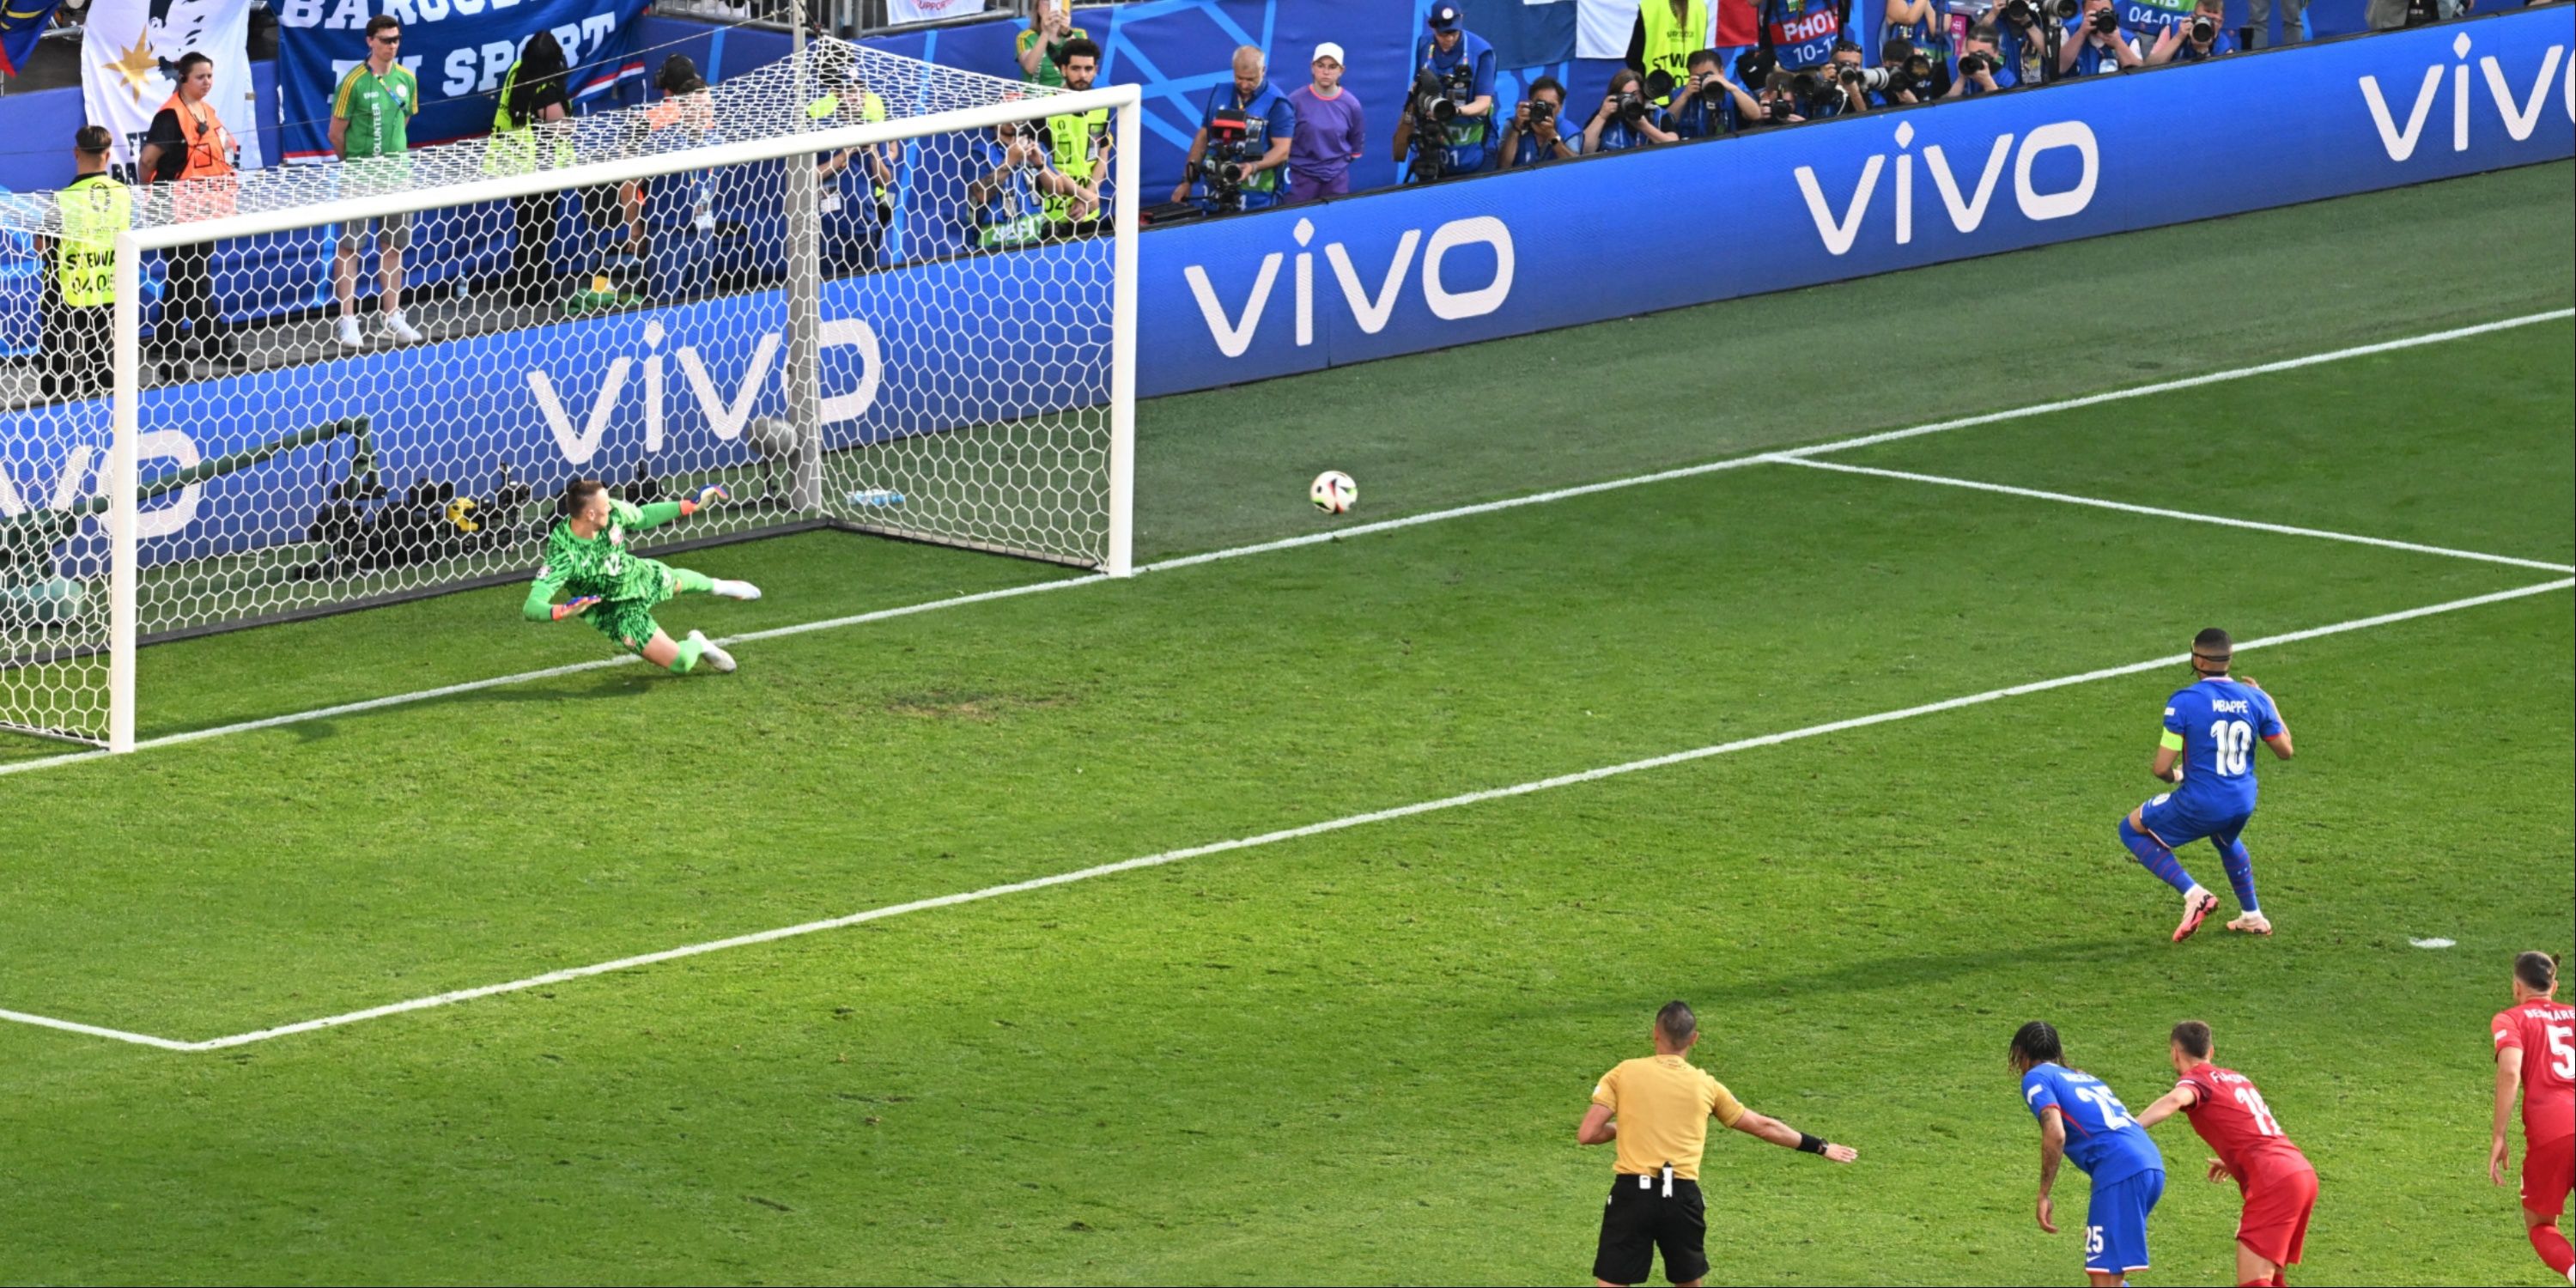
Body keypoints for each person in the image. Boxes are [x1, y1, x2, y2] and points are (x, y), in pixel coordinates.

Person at [1579, 1001, 1857, 1288]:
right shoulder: (1706, 1086)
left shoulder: (1624, 1072)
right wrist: (1821, 1146)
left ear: (1655, 1033)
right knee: (1689, 1282)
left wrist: (1621, 1127)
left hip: (1632, 1196)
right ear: (1694, 1038)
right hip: (1681, 1197)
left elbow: (1588, 1134)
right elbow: (1764, 1126)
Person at [2117, 628, 2291, 942]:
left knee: (2130, 829)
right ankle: (2253, 916)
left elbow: (2161, 768)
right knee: (2225, 840)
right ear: (2229, 658)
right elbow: (2285, 751)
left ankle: (2194, 894)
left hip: (2202, 802)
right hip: (2243, 800)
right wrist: (2269, 701)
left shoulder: (2184, 702)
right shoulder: (2255, 698)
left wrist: (2175, 777)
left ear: (2197, 659)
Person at [2132, 1022, 2320, 1287]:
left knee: (2254, 1282)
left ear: (2175, 1052)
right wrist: (2237, 1161)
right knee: (2272, 1277)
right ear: (2211, 1051)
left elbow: (2176, 1100)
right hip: (2299, 1171)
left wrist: (2128, 1127)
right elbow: (2253, 1129)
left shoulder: (2196, 1080)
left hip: (2274, 1180)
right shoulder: (2238, 1078)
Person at [523, 479, 761, 675]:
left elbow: (643, 516)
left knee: (678, 582)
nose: (611, 506)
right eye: (606, 504)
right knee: (681, 664)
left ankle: (720, 586)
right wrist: (561, 611)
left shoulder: (612, 513)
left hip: (636, 576)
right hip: (617, 614)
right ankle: (699, 643)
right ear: (591, 514)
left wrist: (691, 506)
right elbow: (532, 606)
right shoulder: (564, 555)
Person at [2011, 1021, 2167, 1287]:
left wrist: (2044, 1193)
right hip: (2150, 1165)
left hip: (2121, 1173)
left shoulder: (2036, 1077)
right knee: (2108, 1270)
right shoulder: (2086, 1077)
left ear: (2022, 1053)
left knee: (2104, 1279)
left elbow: (2056, 1133)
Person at [137, 50, 240, 378]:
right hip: (177, 211)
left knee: (182, 280)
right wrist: (153, 198)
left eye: (210, 76)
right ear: (183, 78)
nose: (207, 82)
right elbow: (147, 161)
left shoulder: (207, 111)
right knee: (194, 280)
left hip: (207, 210)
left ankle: (164, 341)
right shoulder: (170, 117)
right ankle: (214, 342)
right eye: (201, 76)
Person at [331, 15, 423, 349]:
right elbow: (335, 133)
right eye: (386, 40)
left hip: (397, 177)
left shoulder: (407, 79)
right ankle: (347, 319)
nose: (392, 45)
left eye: (396, 39)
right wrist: (355, 165)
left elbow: (405, 120)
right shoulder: (353, 82)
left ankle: (392, 316)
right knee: (350, 246)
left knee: (394, 245)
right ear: (370, 41)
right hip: (359, 176)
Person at [2489, 951, 2575, 1285]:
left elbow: (2510, 1072)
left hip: (2552, 1133)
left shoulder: (2511, 1019)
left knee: (2542, 1225)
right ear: (2554, 986)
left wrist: (2499, 1136)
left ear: (2516, 987)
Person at [34, 126, 128, 400]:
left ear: (76, 152)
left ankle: (58, 408)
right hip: (108, 286)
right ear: (108, 155)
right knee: (103, 358)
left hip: (64, 290)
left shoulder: (64, 199)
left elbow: (41, 247)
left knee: (60, 363)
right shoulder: (123, 193)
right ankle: (105, 408)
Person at [485, 32, 574, 309]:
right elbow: (563, 127)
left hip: (517, 164)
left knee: (525, 229)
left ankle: (522, 286)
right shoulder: (544, 90)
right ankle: (534, 290)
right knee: (540, 231)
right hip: (541, 167)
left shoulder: (517, 71)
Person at [1169, 46, 1294, 213]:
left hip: (1256, 200)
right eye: (1239, 78)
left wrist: (1252, 166)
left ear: (1263, 70)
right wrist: (1186, 181)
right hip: (1214, 195)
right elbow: (1203, 137)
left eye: (1251, 79)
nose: (1244, 84)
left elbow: (1282, 150)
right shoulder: (1219, 93)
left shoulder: (1277, 103)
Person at [811, 45, 898, 273]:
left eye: (861, 91)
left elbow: (886, 181)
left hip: (866, 229)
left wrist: (873, 153)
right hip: (828, 231)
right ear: (838, 95)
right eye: (850, 91)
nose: (856, 97)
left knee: (865, 290)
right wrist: (844, 154)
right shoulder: (822, 130)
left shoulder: (875, 129)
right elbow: (809, 177)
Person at [1392, 4, 1497, 179]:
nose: (1449, 39)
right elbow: (1417, 84)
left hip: (1473, 145)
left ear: (1461, 19)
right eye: (1442, 34)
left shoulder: (1482, 52)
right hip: (1433, 144)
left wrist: (1453, 111)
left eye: (1453, 33)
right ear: (1432, 25)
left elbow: (1484, 104)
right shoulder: (1424, 44)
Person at [967, 119, 1080, 248]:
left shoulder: (1036, 147)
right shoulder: (980, 152)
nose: (1013, 118)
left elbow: (1057, 190)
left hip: (1034, 241)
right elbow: (982, 194)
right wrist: (1010, 161)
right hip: (993, 246)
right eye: (1006, 112)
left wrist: (1040, 165)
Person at [1040, 39, 1111, 227]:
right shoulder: (1044, 109)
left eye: (1088, 69)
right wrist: (1084, 195)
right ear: (1063, 69)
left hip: (1087, 212)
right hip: (1051, 216)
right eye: (1075, 68)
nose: (1082, 75)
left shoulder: (1100, 106)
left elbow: (1100, 155)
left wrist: (1089, 195)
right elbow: (1041, 164)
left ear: (1096, 70)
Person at [1285, 42, 1364, 204]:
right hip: (1300, 179)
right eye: (1321, 66)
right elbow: (1283, 142)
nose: (1326, 72)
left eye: (1332, 66)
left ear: (1341, 70)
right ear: (1312, 68)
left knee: (1334, 226)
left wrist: (1333, 167)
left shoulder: (1352, 105)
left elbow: (1355, 148)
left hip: (1336, 181)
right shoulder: (1294, 101)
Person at [1627, 0, 1713, 101]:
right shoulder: (1700, 6)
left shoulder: (1650, 5)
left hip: (1655, 90)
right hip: (1691, 95)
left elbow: (1633, 58)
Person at [1583, 67, 1679, 154]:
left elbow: (1675, 147)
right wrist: (1602, 117)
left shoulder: (1658, 114)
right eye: (1624, 95)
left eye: (1635, 94)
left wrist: (1645, 127)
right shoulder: (1606, 114)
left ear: (1643, 94)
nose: (1631, 99)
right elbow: (1585, 150)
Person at [1665, 50, 1754, 138]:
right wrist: (1685, 96)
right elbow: (1665, 123)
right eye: (1698, 76)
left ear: (1721, 72)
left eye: (1708, 75)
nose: (1704, 80)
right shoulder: (1681, 94)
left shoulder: (1732, 93)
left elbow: (1755, 115)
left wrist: (1733, 89)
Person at [1498, 76, 1579, 167]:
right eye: (1540, 104)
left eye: (1551, 106)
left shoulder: (1569, 132)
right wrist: (1516, 129)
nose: (1545, 110)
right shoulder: (1513, 124)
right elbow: (1502, 166)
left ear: (1560, 108)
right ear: (1530, 103)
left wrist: (1552, 136)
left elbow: (1575, 167)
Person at [1016, 0, 1090, 89]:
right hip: (1038, 98)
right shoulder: (1026, 37)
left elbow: (1085, 67)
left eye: (1057, 2)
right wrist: (1046, 33)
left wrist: (1068, 34)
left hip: (1070, 95)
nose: (1052, 7)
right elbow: (1030, 68)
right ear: (1037, 8)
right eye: (1046, 1)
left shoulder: (1079, 34)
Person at [2062, 0, 2145, 76]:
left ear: (2113, 11)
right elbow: (2060, 68)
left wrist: (2118, 43)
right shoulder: (2069, 32)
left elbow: (2139, 76)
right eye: (2095, 13)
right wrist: (2081, 33)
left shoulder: (2129, 39)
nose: (2101, 18)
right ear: (2083, 13)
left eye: (2105, 12)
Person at [2147, 1, 2237, 64]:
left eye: (2213, 20)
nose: (2207, 24)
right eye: (2203, 18)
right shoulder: (2173, 30)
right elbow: (2149, 65)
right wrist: (2178, 38)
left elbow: (2220, 81)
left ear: (2221, 23)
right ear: (2192, 17)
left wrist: (2203, 52)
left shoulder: (2224, 47)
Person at [1943, 24, 2018, 97]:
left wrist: (1988, 83)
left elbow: (2006, 108)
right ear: (1965, 49)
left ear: (1996, 54)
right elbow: (1938, 105)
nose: (1976, 58)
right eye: (1972, 54)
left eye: (1982, 55)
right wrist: (1961, 80)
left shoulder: (2005, 78)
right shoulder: (1949, 66)